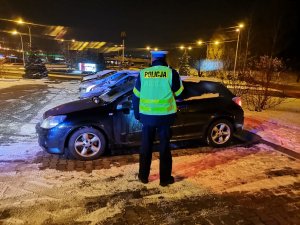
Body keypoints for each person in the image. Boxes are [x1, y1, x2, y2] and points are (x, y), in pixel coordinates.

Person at [132, 51, 184, 186]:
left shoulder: (143, 73)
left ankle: (143, 176)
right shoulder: (171, 73)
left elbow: (136, 96)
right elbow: (180, 93)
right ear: (165, 59)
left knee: (146, 147)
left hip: (147, 118)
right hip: (165, 118)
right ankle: (165, 179)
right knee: (165, 148)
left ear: (152, 59)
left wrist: (137, 114)